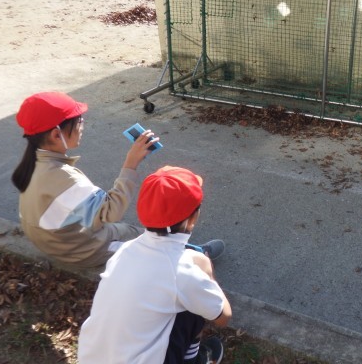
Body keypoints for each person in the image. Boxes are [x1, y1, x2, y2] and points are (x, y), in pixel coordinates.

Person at [12, 92, 224, 269]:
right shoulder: (63, 177)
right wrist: (130, 163)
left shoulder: (34, 163)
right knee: (154, 245)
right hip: (83, 250)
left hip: (58, 242)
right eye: (78, 121)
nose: (82, 124)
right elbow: (112, 211)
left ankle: (176, 248)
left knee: (135, 232)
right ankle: (196, 256)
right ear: (56, 134)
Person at [78, 166, 231, 363]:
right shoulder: (183, 272)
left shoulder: (125, 250)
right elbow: (223, 317)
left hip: (91, 357)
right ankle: (193, 359)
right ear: (193, 218)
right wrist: (206, 270)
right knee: (194, 304)